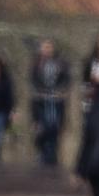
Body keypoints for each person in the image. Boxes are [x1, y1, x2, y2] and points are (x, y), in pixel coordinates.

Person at [28, 37, 73, 167]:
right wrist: (38, 90)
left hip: (56, 100)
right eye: (45, 47)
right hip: (41, 100)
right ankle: (42, 151)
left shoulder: (60, 62)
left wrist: (63, 90)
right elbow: (33, 80)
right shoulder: (37, 63)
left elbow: (66, 79)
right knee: (42, 127)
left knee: (54, 126)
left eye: (49, 47)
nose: (47, 50)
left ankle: (52, 155)